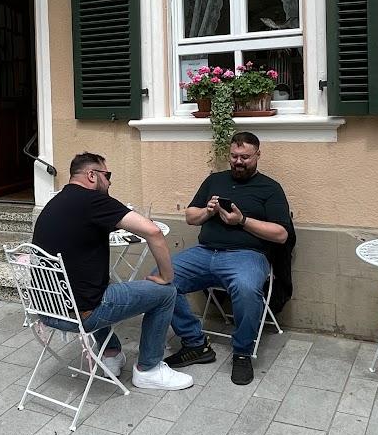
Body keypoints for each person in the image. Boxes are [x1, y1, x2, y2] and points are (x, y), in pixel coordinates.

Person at [31, 152, 193, 392]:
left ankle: (111, 353)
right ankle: (149, 369)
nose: (110, 182)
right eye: (108, 176)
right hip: (82, 313)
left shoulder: (55, 202)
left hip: (48, 308)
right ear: (92, 175)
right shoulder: (93, 201)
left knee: (98, 285)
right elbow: (153, 232)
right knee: (166, 293)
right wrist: (166, 276)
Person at [162, 131, 291, 387]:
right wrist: (207, 212)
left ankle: (242, 353)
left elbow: (281, 234)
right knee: (162, 278)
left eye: (245, 157)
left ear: (257, 156)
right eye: (234, 156)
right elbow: (190, 216)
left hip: (247, 256)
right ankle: (195, 343)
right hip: (204, 253)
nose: (238, 161)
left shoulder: (270, 188)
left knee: (245, 288)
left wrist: (242, 221)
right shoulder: (215, 180)